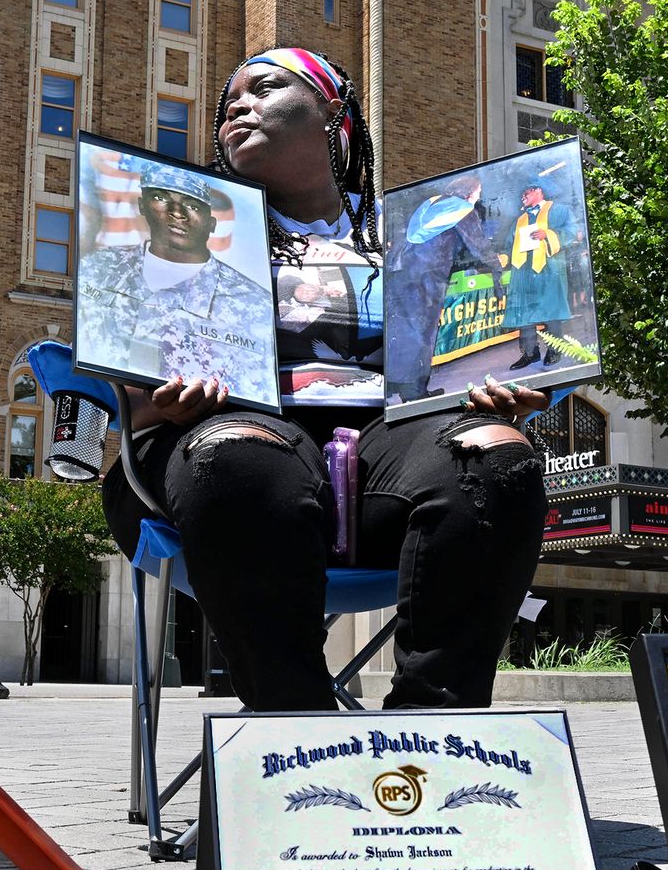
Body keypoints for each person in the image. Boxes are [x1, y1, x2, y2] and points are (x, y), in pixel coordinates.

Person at [100, 47, 551, 711]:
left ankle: (433, 730)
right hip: (219, 460)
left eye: (265, 88)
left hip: (389, 455)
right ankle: (294, 723)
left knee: (497, 459)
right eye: (229, 103)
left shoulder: (421, 234)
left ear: (332, 112)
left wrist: (499, 382)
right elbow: (125, 391)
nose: (237, 106)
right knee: (241, 454)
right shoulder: (178, 226)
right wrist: (155, 408)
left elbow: (490, 352)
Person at [76, 162, 277, 405]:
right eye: (160, 197)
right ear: (142, 205)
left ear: (212, 223)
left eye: (192, 205)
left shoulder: (253, 302)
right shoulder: (96, 267)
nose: (177, 212)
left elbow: (258, 396)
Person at [386, 174, 502, 403]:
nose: (479, 197)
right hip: (427, 277)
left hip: (399, 270)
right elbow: (478, 244)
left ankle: (393, 384)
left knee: (399, 329)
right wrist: (497, 266)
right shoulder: (463, 210)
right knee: (423, 333)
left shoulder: (432, 202)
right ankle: (416, 391)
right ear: (469, 192)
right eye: (478, 192)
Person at [501, 181, 583, 370]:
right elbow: (509, 245)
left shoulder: (559, 210)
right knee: (525, 312)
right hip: (523, 271)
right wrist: (502, 257)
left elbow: (573, 232)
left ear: (539, 190)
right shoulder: (519, 219)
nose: (523, 194)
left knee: (551, 310)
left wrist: (548, 234)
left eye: (526, 190)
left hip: (549, 268)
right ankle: (531, 353)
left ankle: (555, 349)